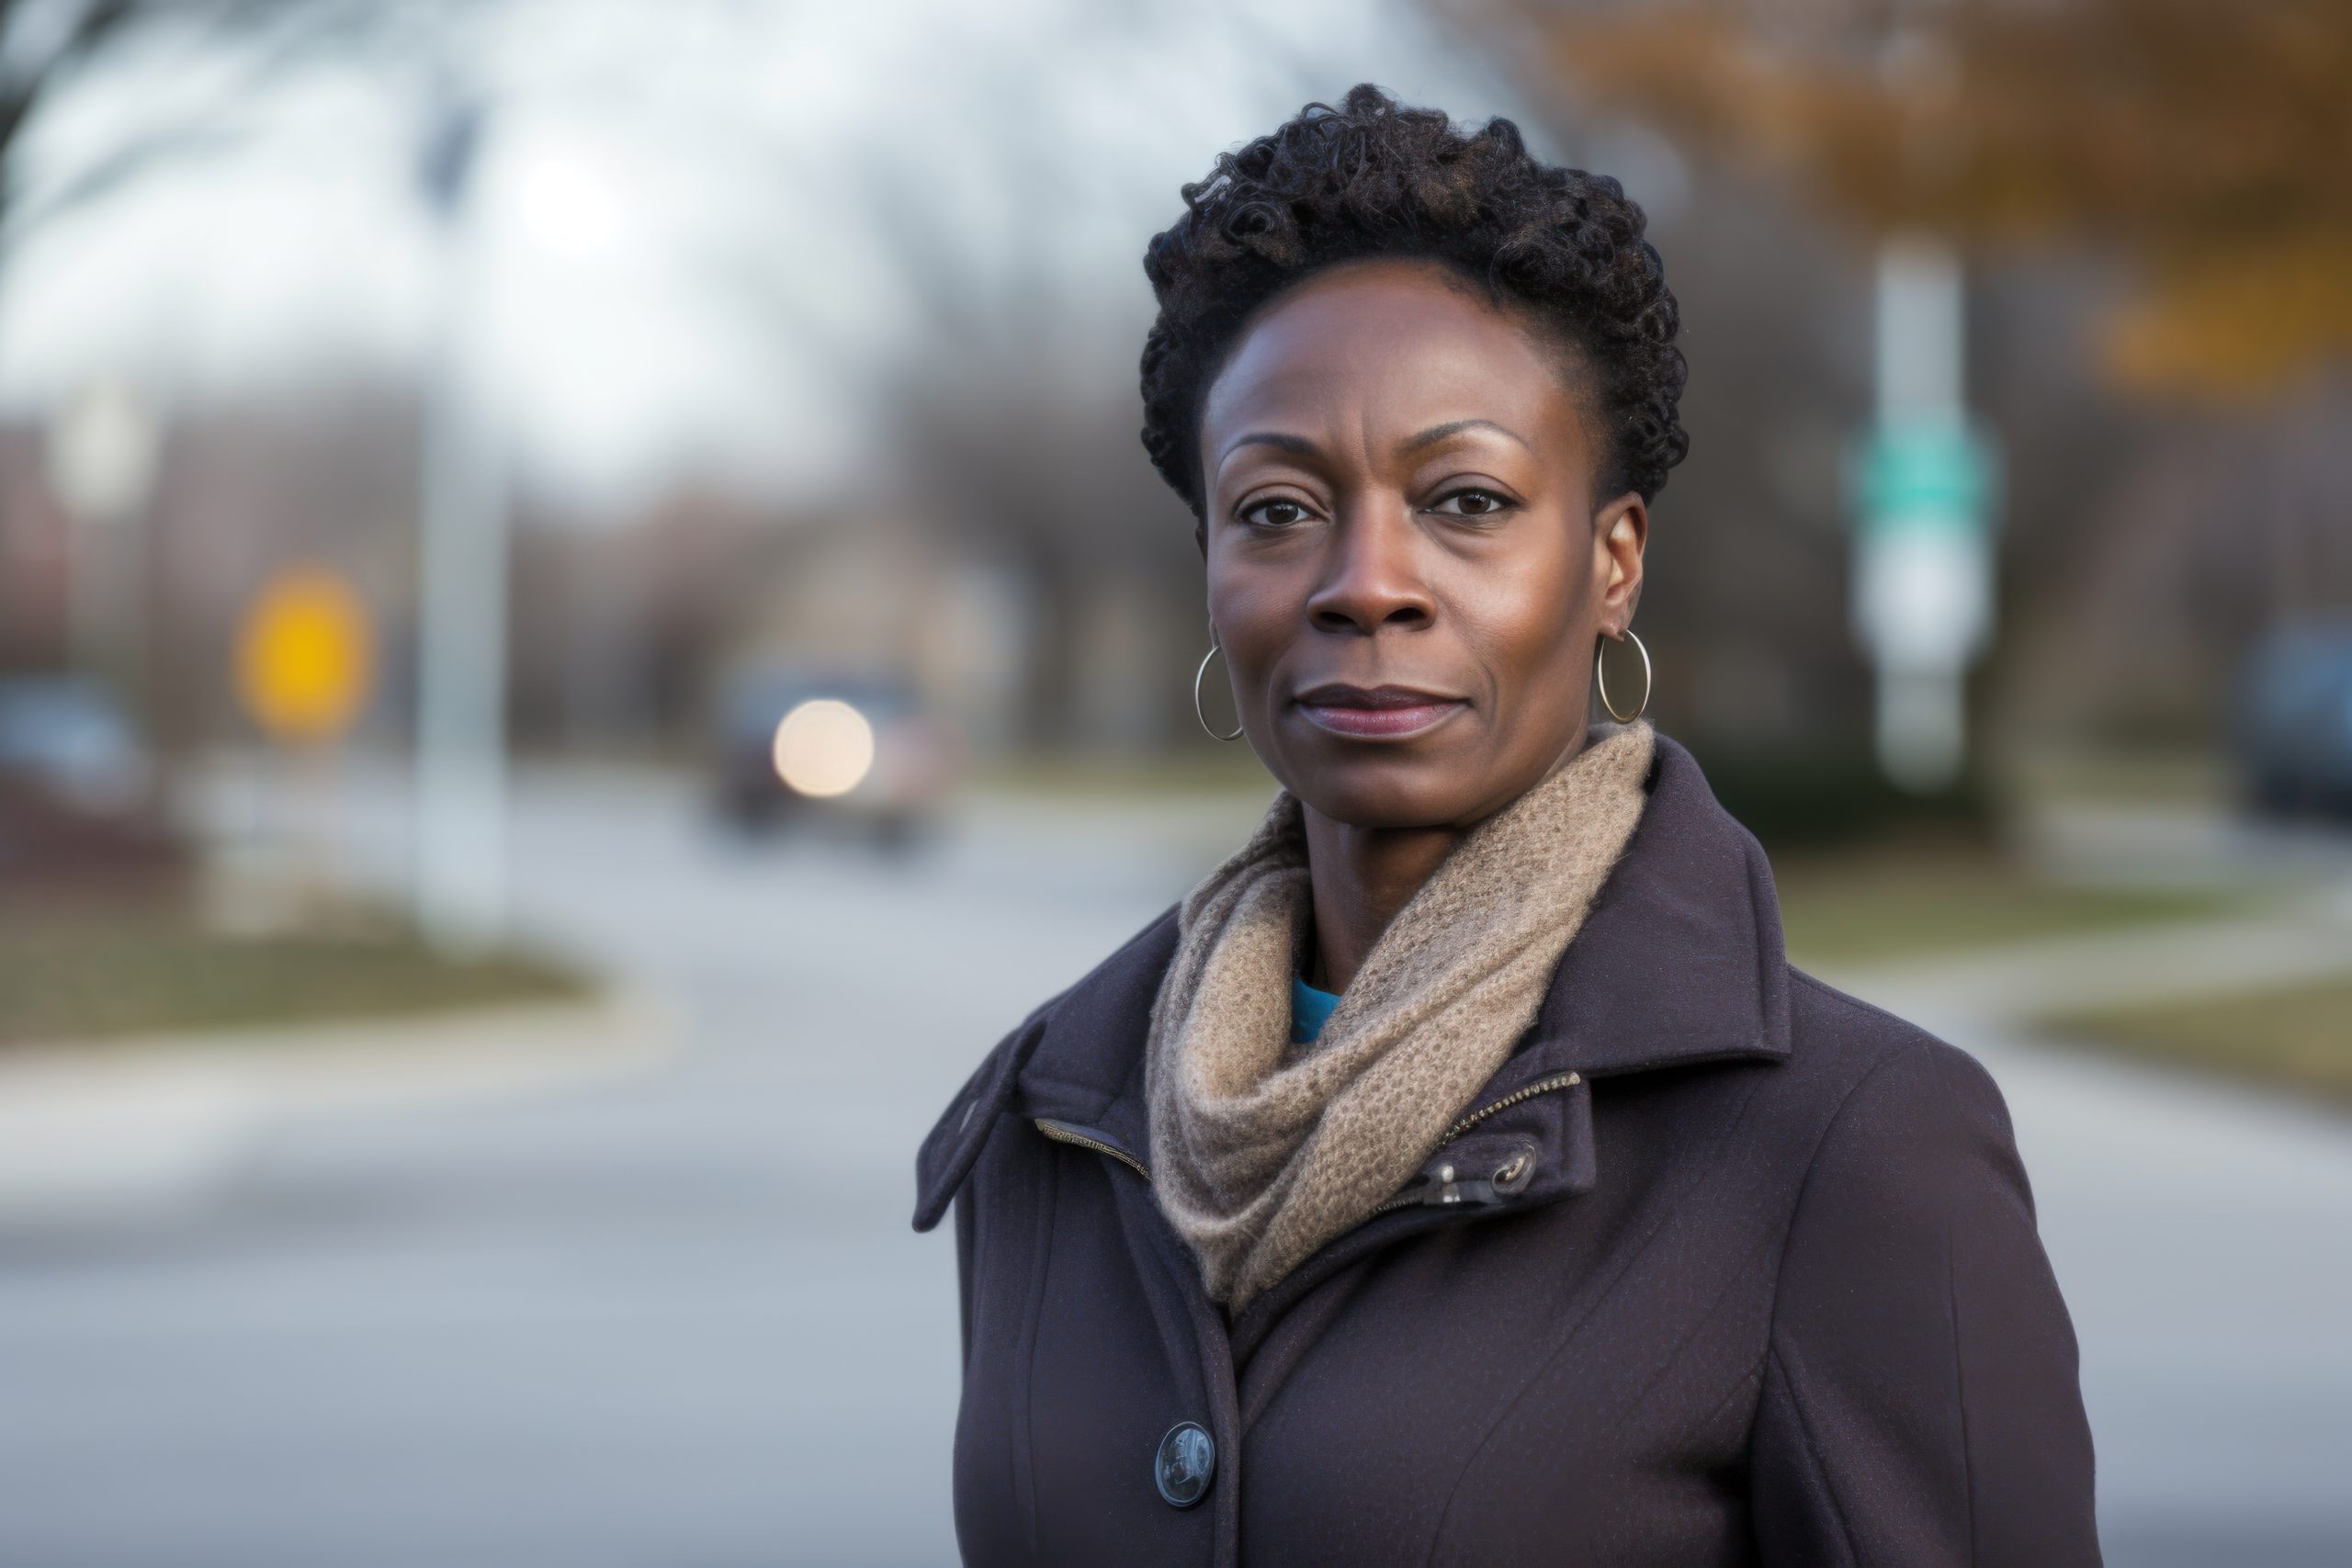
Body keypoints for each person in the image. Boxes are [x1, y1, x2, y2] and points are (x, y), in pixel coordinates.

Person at [912, 84, 2101, 1567]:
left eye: (1466, 499)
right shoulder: (1061, 1128)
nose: (1367, 582)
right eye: (1277, 509)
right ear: (1211, 565)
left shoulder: (1846, 1151)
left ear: (1612, 565)